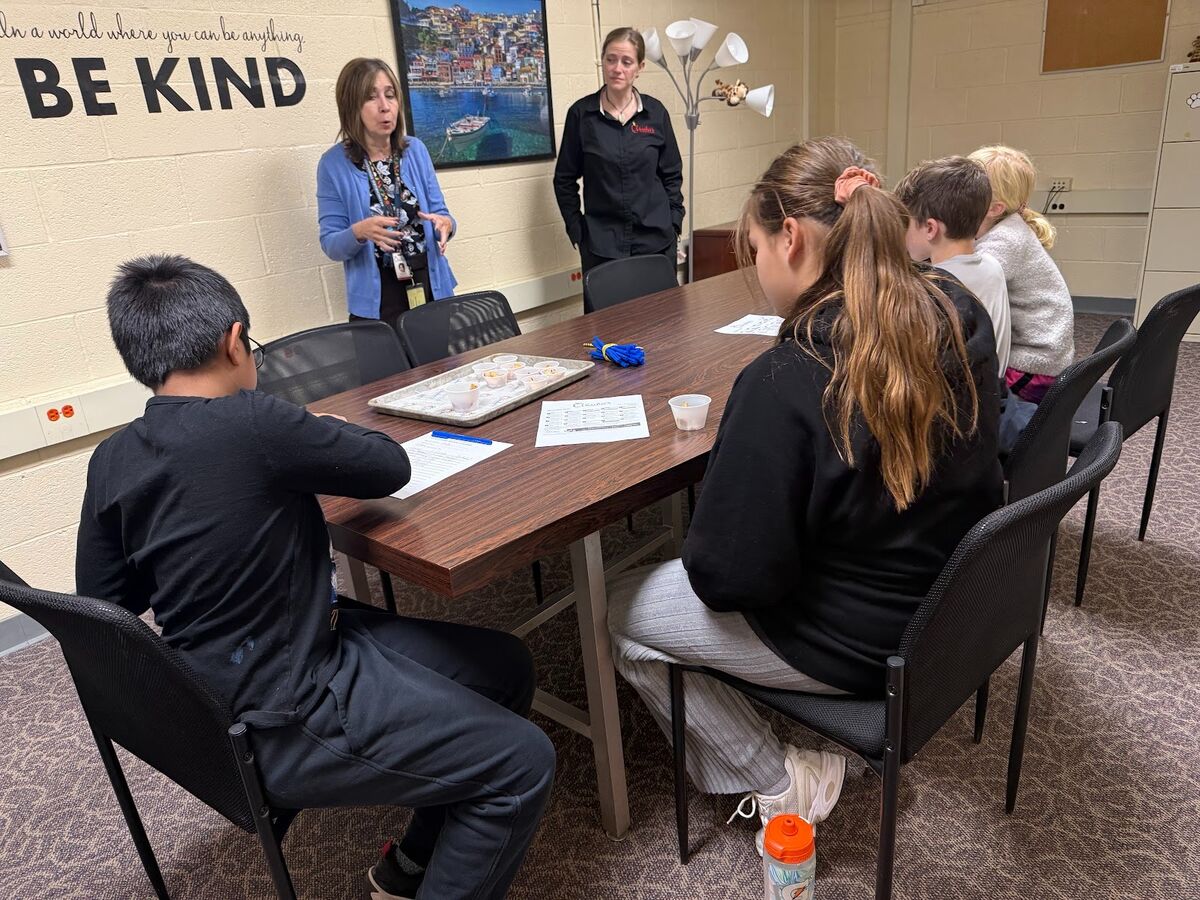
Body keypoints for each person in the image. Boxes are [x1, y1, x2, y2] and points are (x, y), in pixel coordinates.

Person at [76, 255, 554, 900]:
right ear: (235, 340)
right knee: (523, 763)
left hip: (219, 685)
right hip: (285, 704)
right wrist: (320, 431)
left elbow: (106, 602)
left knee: (504, 667)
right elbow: (388, 467)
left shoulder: (112, 457)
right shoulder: (258, 421)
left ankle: (408, 867)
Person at [606, 138, 1002, 854]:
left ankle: (776, 777)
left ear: (789, 238)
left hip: (858, 639)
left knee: (620, 610)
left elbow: (728, 581)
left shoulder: (788, 377)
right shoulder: (955, 311)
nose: (755, 271)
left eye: (752, 249)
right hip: (948, 608)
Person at [894, 156, 1034, 452]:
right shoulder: (991, 266)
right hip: (991, 404)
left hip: (957, 428)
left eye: (906, 224)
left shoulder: (942, 289)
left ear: (930, 229)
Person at [318, 58, 458, 330]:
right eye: (372, 98)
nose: (385, 106)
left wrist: (446, 225)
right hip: (378, 300)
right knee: (388, 373)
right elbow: (330, 243)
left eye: (390, 95)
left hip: (429, 284)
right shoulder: (333, 165)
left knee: (441, 370)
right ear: (351, 106)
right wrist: (359, 231)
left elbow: (442, 215)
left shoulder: (415, 150)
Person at [553, 27, 684, 297]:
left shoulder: (655, 114)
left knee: (663, 325)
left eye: (626, 62)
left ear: (640, 67)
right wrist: (577, 229)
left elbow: (672, 174)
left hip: (656, 242)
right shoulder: (581, 115)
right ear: (603, 61)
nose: (617, 68)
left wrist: (674, 222)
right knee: (608, 331)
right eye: (611, 59)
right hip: (602, 246)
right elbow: (564, 179)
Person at [970, 145, 1074, 404]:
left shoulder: (1004, 241)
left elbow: (963, 290)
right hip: (1045, 357)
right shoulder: (1006, 227)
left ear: (994, 208)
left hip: (1032, 367)